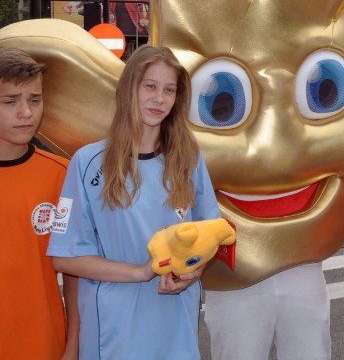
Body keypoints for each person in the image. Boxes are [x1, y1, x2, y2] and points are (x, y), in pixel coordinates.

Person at [47, 45, 220, 359]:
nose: (159, 98)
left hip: (175, 325)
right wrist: (143, 272)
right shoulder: (87, 162)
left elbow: (210, 235)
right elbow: (66, 257)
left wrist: (192, 273)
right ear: (129, 89)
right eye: (150, 86)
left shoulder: (188, 159)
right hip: (114, 332)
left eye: (169, 90)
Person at [0, 47, 79, 359]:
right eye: (10, 101)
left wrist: (73, 345)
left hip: (42, 344)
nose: (27, 112)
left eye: (35, 99)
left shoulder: (61, 176)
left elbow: (74, 273)